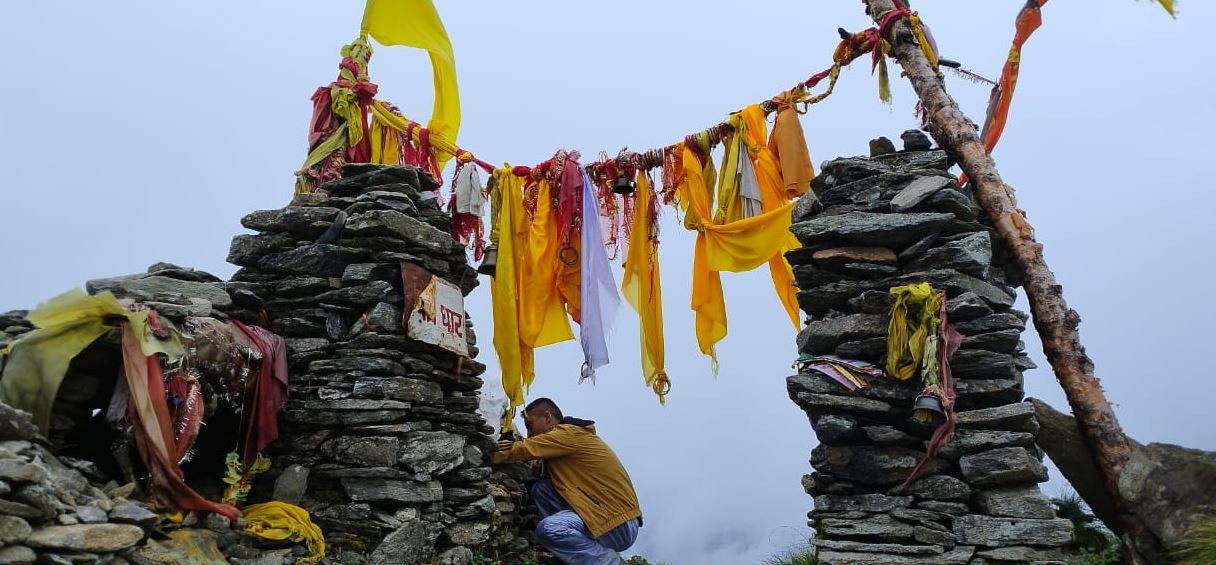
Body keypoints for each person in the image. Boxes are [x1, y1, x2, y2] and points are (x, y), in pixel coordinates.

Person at [492, 398, 642, 565]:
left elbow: (524, 447)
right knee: (541, 489)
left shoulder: (568, 434)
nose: (529, 434)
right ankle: (569, 551)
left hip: (619, 524)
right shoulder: (566, 441)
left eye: (530, 425)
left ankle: (611, 563)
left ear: (547, 418)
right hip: (607, 518)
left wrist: (487, 451)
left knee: (549, 529)